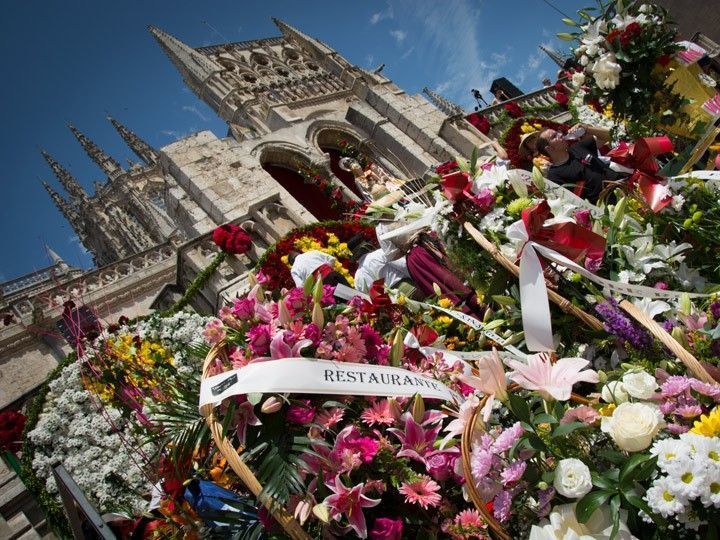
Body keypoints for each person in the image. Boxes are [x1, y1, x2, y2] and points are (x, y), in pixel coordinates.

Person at [535, 123, 626, 203]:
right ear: (549, 149)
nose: (561, 134)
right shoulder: (554, 175)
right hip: (609, 205)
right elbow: (571, 202)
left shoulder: (578, 147)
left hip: (624, 187)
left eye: (558, 132)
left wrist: (586, 128)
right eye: (554, 136)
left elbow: (608, 135)